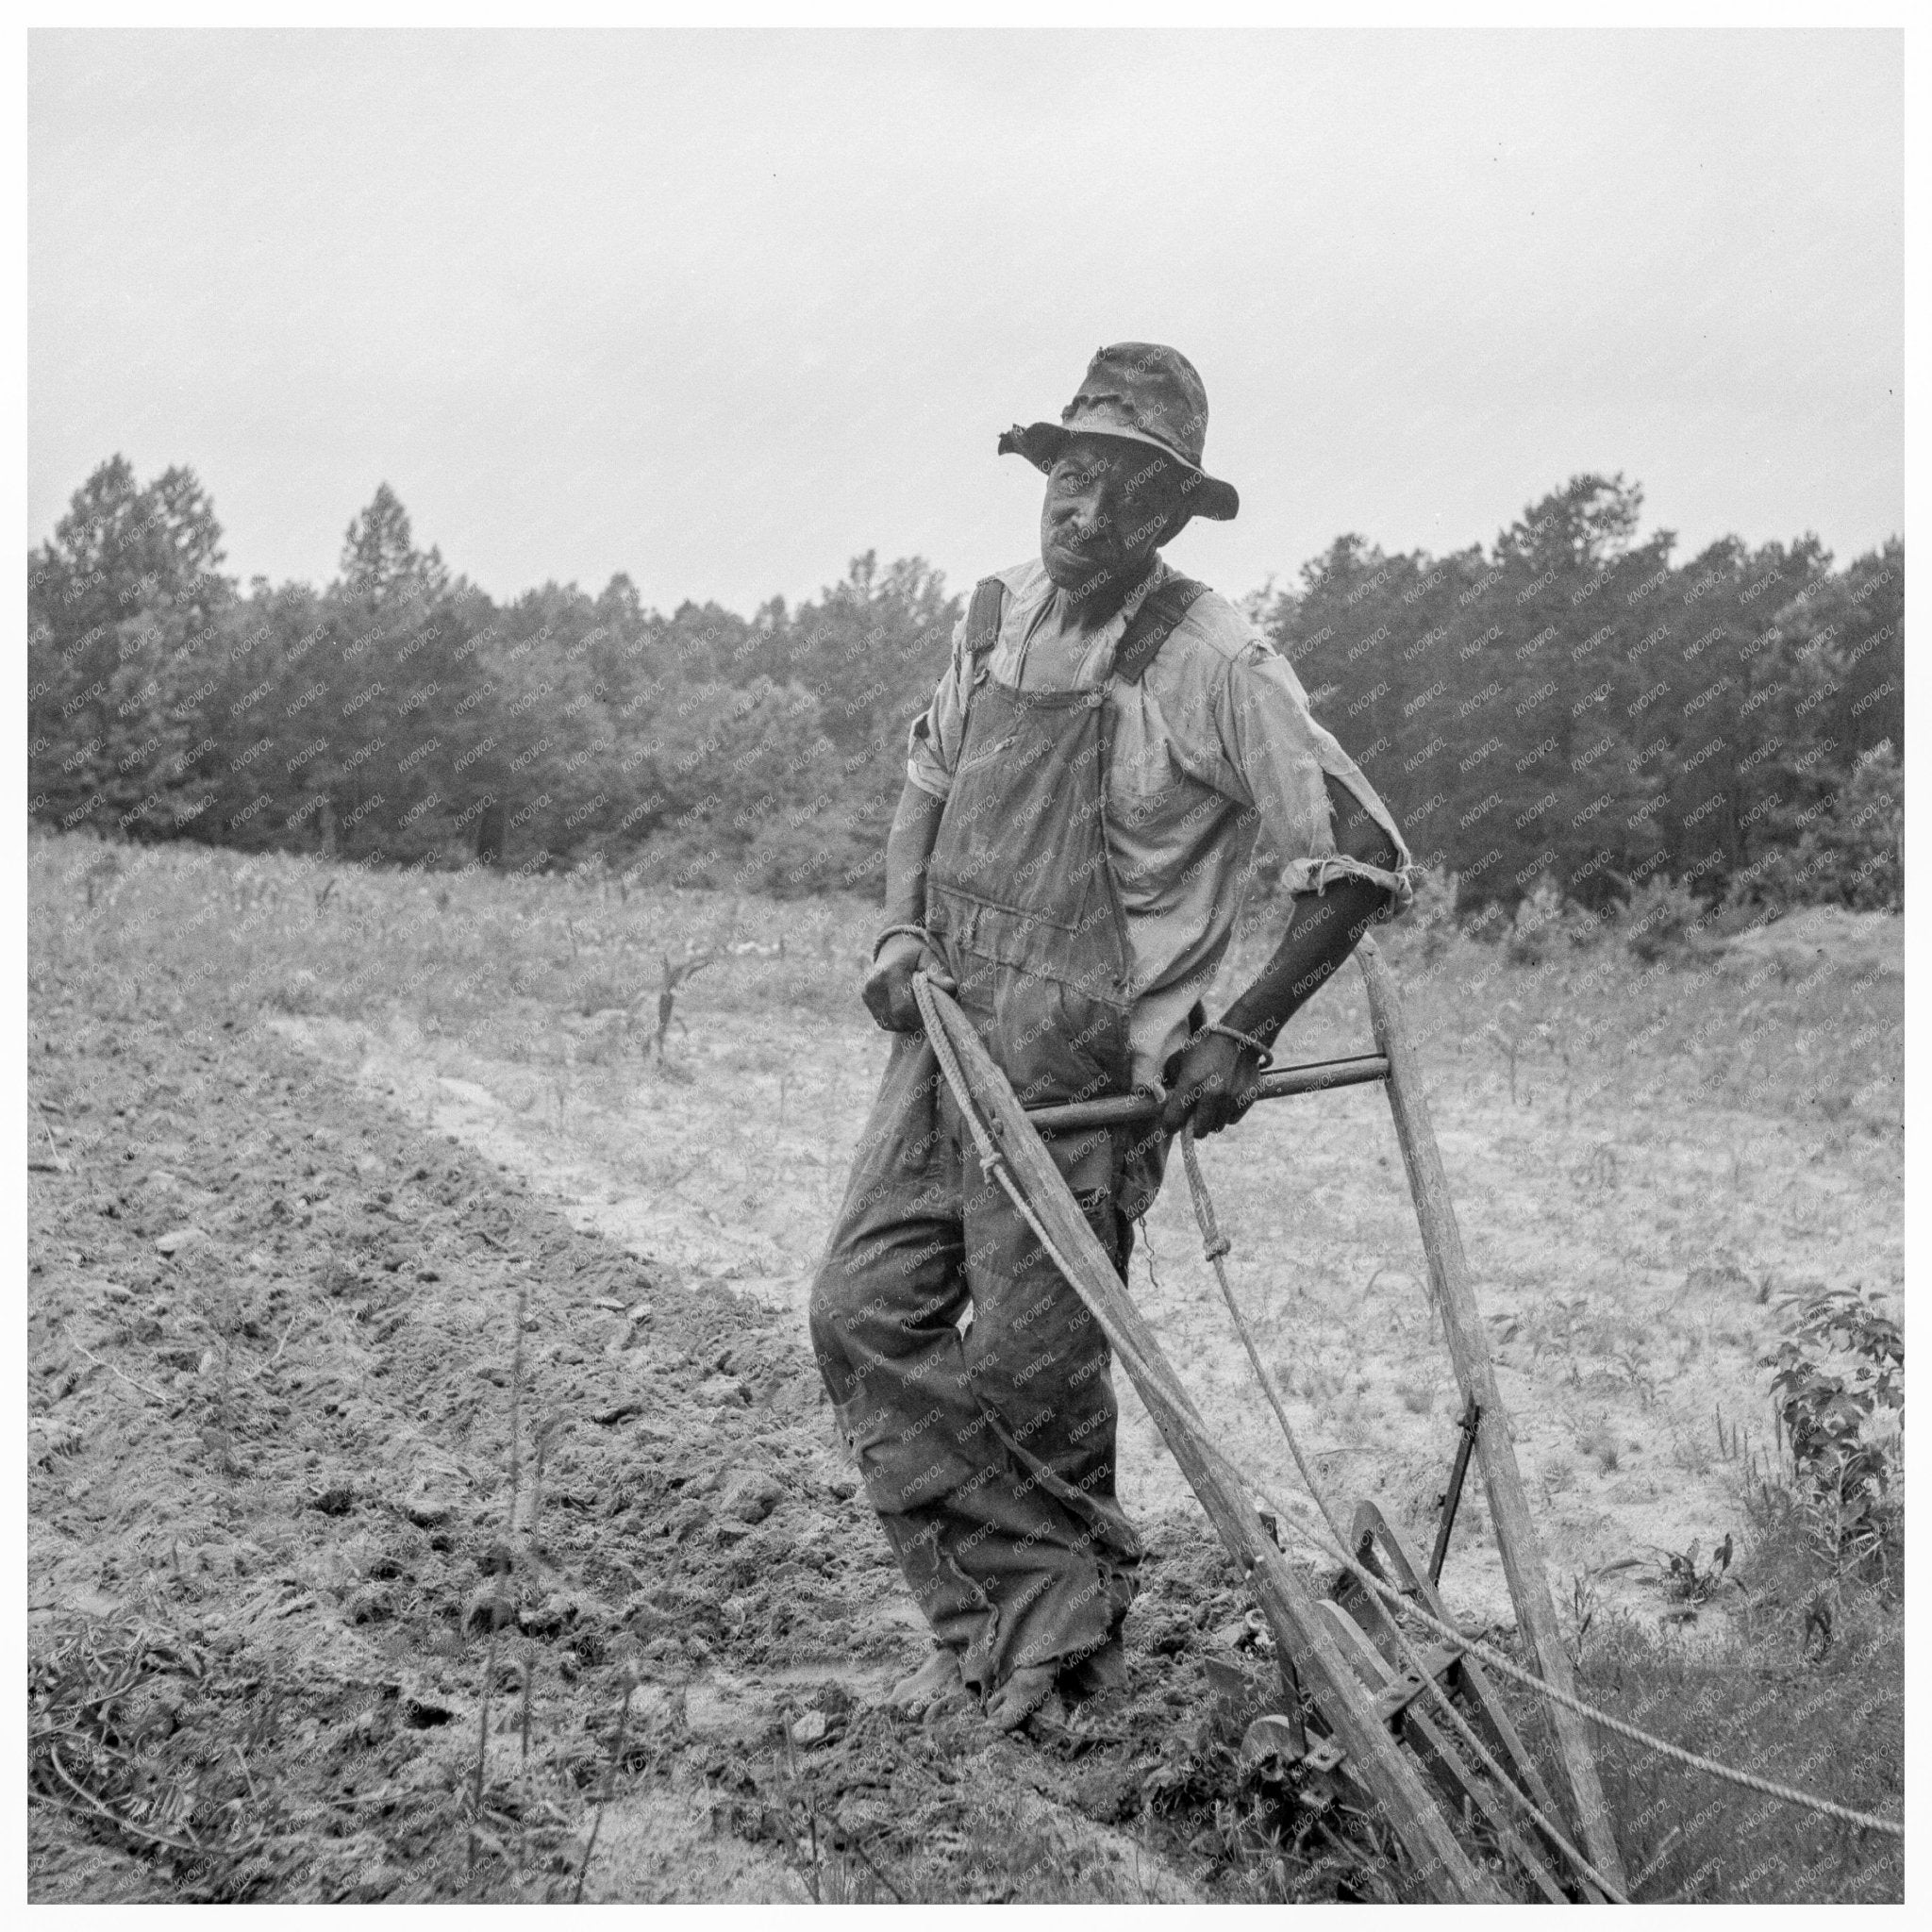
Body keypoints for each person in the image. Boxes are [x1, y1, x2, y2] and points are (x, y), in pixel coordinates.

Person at [809, 343, 1414, 1730]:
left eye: (1120, 487)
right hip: (948, 1042)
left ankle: (1068, 1659)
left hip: (1088, 1081)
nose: (1080, 508)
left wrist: (1245, 1035)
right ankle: (1013, 1618)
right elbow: (926, 783)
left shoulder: (1218, 660)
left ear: (1168, 513)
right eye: (1067, 473)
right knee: (858, 1313)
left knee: (1035, 1366)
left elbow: (1366, 858)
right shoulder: (995, 618)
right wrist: (898, 935)